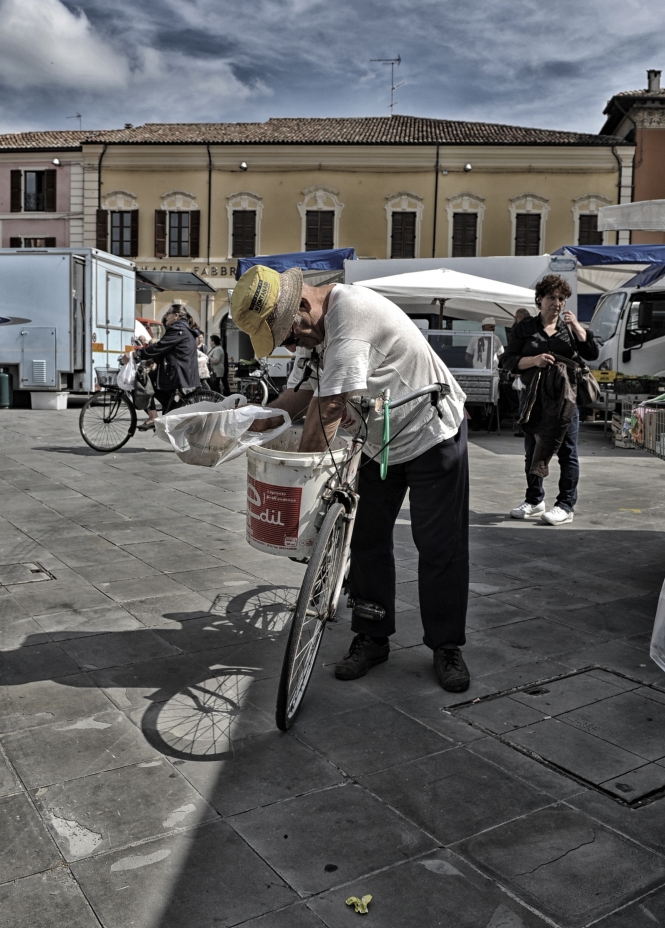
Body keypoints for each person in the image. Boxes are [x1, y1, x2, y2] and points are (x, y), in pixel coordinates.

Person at [230, 265, 471, 693]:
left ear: (303, 305)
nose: (293, 344)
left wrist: (301, 477)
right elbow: (300, 394)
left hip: (431, 431)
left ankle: (446, 645)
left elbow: (328, 409)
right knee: (366, 539)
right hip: (379, 439)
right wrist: (248, 423)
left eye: (290, 335)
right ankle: (373, 636)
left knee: (439, 546)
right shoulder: (312, 332)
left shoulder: (350, 315)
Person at [502, 273, 599, 525]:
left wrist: (578, 328)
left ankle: (566, 505)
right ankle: (534, 500)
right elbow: (508, 361)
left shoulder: (569, 328)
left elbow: (591, 353)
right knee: (532, 451)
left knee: (567, 452)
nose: (556, 303)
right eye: (551, 297)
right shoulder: (524, 328)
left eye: (562, 298)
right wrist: (534, 360)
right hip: (533, 399)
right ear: (540, 299)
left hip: (566, 400)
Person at [133, 304, 201, 428]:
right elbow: (169, 350)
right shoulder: (185, 330)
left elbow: (161, 346)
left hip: (177, 373)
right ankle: (171, 414)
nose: (166, 317)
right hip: (184, 372)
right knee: (158, 390)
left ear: (176, 316)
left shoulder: (177, 329)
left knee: (144, 381)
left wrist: (139, 353)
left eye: (168, 314)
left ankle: (154, 417)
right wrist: (153, 359)